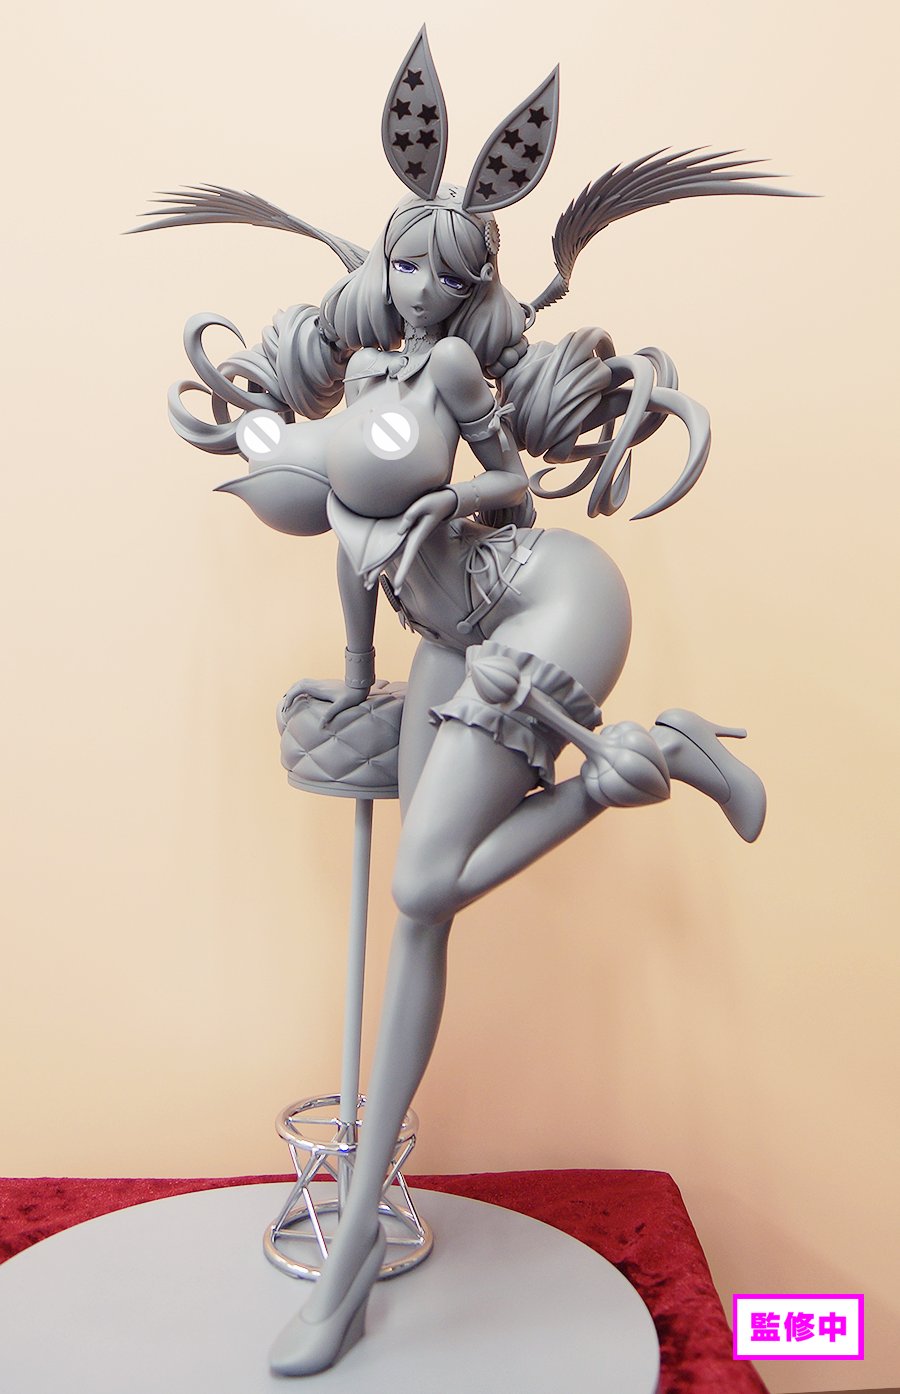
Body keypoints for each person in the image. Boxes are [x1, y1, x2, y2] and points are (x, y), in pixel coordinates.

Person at [135, 27, 794, 1376]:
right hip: (445, 636)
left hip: (543, 598)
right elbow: (345, 559)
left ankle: (631, 770)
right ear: (379, 268)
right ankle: (355, 1251)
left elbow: (516, 492)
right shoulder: (360, 382)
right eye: (411, 265)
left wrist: (452, 501)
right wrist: (357, 682)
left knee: (422, 887)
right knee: (417, 917)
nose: (430, 289)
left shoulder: (444, 375)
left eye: (456, 272)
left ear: (477, 285)